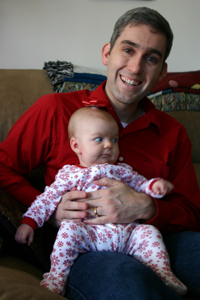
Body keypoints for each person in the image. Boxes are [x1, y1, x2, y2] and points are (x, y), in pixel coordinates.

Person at [0, 6, 200, 300]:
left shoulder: (173, 133)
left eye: (151, 58)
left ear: (162, 72)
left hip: (155, 237)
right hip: (87, 244)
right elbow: (3, 167)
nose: (134, 68)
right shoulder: (55, 110)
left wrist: (147, 206)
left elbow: (192, 213)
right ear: (107, 53)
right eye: (128, 50)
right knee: (127, 281)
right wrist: (50, 212)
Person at [15, 107, 187, 296]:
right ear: (76, 145)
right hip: (90, 236)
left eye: (114, 140)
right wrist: (29, 222)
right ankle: (57, 277)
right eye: (99, 139)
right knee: (69, 230)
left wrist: (153, 186)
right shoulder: (70, 175)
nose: (108, 145)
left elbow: (140, 184)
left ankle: (163, 274)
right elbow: (46, 199)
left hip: (128, 236)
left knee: (149, 232)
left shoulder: (121, 170)